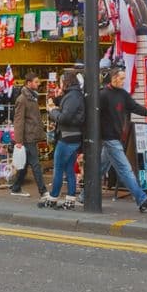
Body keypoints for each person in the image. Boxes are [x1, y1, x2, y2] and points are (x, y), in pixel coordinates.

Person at [99, 67, 147, 213]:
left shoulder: (122, 94)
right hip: (110, 139)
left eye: (124, 78)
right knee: (125, 169)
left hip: (116, 138)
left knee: (100, 169)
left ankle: (84, 195)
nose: (123, 81)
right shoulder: (103, 95)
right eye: (121, 78)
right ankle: (142, 199)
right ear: (113, 78)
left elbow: (135, 107)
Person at [44, 68, 86, 210]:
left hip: (67, 137)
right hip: (72, 137)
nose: (60, 84)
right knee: (69, 169)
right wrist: (56, 100)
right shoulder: (73, 95)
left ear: (66, 82)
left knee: (58, 168)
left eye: (61, 81)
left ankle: (53, 198)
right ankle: (70, 200)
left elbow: (64, 118)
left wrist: (52, 111)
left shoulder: (73, 97)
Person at [9, 75, 48, 202]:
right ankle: (43, 191)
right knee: (36, 164)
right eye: (36, 82)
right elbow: (18, 121)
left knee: (24, 165)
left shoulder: (32, 97)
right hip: (27, 137)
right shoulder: (22, 99)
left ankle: (16, 188)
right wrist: (18, 140)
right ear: (28, 83)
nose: (38, 84)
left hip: (31, 135)